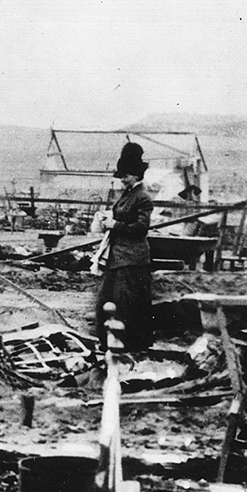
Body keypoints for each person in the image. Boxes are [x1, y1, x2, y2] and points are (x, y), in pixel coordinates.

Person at [94, 142, 153, 352]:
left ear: (136, 175)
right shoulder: (127, 195)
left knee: (126, 305)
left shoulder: (143, 197)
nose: (122, 179)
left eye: (126, 175)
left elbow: (141, 227)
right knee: (105, 302)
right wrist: (107, 219)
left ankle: (128, 347)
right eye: (121, 175)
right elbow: (121, 216)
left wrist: (115, 224)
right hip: (117, 258)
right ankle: (108, 344)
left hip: (132, 260)